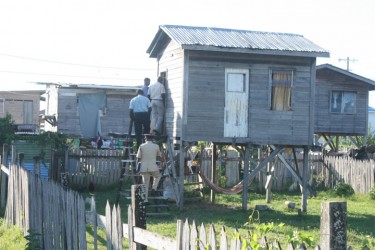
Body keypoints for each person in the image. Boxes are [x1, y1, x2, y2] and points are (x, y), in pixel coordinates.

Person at [136, 134, 162, 203]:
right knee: (158, 176)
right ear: (152, 139)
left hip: (144, 167)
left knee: (145, 184)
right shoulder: (156, 146)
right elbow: (159, 156)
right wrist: (160, 164)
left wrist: (138, 168)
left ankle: (145, 200)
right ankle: (154, 187)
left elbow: (138, 158)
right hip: (153, 166)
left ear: (145, 138)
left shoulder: (141, 146)